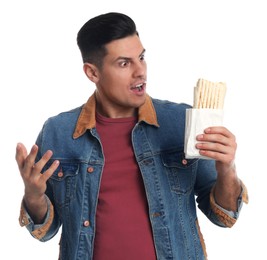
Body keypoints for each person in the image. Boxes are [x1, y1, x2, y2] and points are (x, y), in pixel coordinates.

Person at [16, 12, 248, 260]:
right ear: (92, 73)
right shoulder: (58, 132)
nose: (141, 72)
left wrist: (226, 169)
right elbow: (44, 230)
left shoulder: (182, 121)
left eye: (142, 57)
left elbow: (223, 216)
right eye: (124, 63)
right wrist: (33, 194)